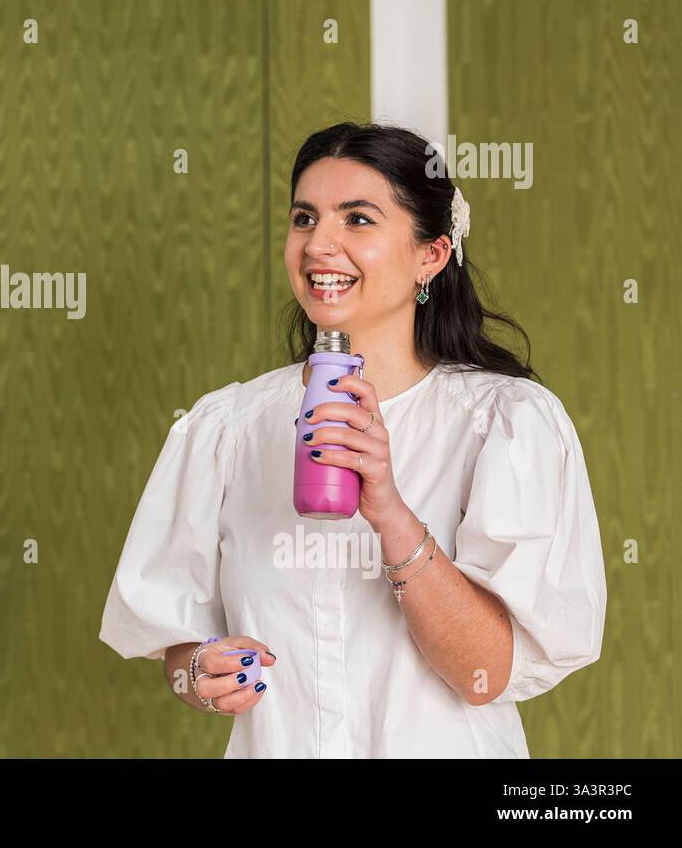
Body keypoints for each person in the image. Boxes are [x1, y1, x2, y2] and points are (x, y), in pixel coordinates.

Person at [99, 121, 606, 758]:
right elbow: (179, 650)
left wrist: (390, 512)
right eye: (304, 218)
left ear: (433, 255)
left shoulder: (503, 425)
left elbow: (487, 673)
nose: (319, 245)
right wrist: (201, 675)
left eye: (358, 219)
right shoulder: (226, 428)